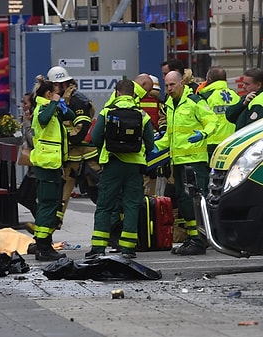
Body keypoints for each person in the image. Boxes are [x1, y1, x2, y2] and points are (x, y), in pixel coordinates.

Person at [85, 80, 155, 259]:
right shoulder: (142, 114)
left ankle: (98, 248)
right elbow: (150, 142)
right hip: (134, 167)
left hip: (112, 164)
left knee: (105, 205)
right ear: (133, 94)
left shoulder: (107, 112)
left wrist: (105, 150)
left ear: (117, 93)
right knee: (132, 205)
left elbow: (94, 137)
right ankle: (128, 248)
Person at [155, 71, 217, 256]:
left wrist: (203, 134)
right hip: (179, 160)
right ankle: (193, 237)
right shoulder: (170, 104)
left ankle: (200, 238)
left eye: (172, 85)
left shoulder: (195, 102)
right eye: (166, 86)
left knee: (196, 200)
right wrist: (155, 146)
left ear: (181, 83)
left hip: (195, 161)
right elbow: (171, 135)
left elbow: (212, 122)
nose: (169, 89)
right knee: (184, 201)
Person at [47, 66, 100, 226]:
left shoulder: (78, 100)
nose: (53, 89)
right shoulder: (61, 100)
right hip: (71, 156)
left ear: (64, 84)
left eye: (55, 85)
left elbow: (81, 130)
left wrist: (63, 139)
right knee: (62, 193)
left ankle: (114, 222)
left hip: (86, 157)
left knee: (97, 191)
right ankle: (51, 226)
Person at [30, 75, 74, 261]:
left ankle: (43, 242)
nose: (59, 95)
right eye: (56, 93)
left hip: (53, 165)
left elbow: (71, 117)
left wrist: (62, 105)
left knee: (50, 204)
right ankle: (43, 245)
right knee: (49, 204)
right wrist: (54, 104)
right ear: (49, 94)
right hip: (47, 165)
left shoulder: (52, 108)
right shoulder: (43, 108)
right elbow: (43, 120)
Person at [197, 66, 240, 159]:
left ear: (210, 79)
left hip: (211, 143)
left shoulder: (206, 96)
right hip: (232, 142)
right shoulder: (235, 95)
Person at [17, 92, 37, 220]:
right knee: (21, 196)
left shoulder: (35, 118)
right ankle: (42, 221)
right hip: (32, 169)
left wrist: (27, 123)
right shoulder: (28, 117)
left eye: (25, 103)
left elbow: (34, 140)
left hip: (38, 166)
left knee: (28, 198)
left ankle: (44, 223)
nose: (23, 105)